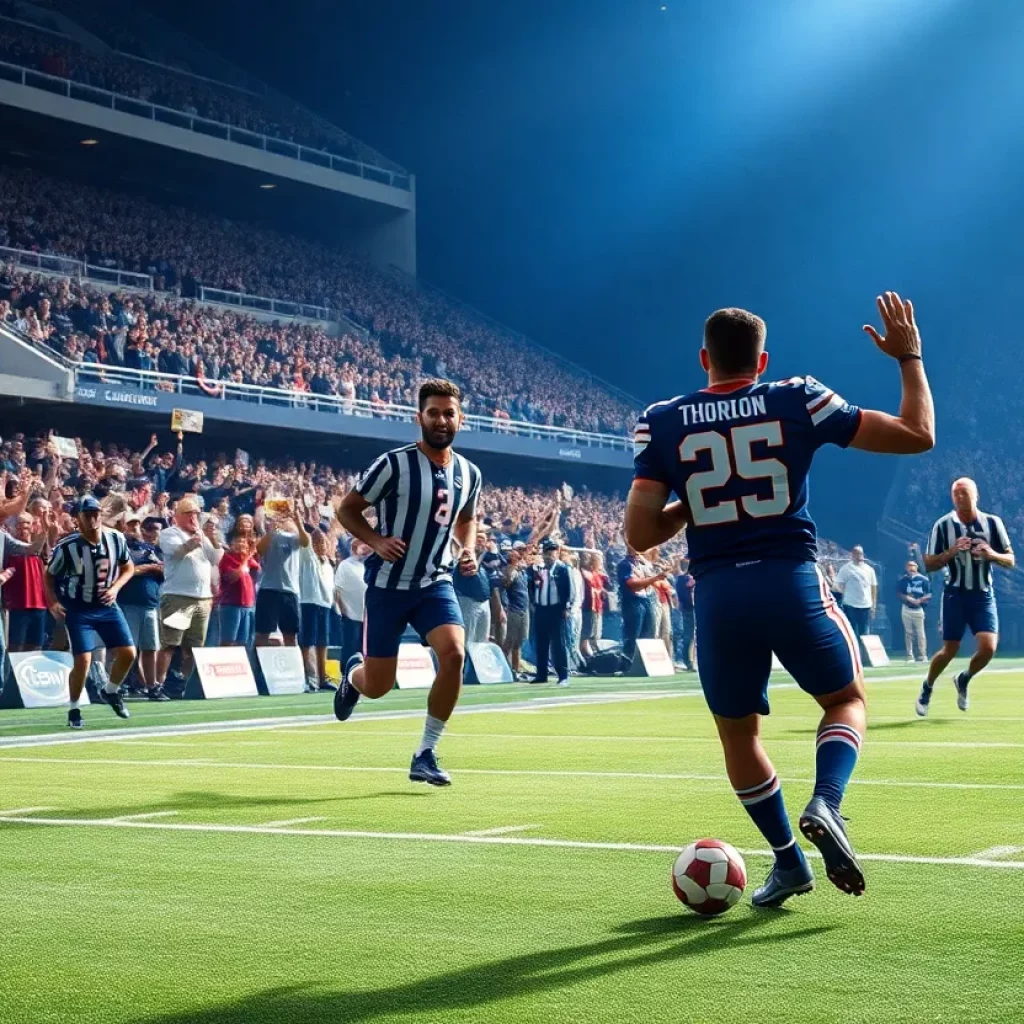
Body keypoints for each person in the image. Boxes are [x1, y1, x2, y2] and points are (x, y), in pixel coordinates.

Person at [624, 293, 934, 907]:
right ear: (761, 361)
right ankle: (829, 803)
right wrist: (909, 357)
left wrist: (698, 498)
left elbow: (639, 535)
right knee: (844, 698)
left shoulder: (660, 418)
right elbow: (917, 435)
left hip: (717, 594)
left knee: (739, 735)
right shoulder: (795, 396)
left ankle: (789, 861)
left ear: (704, 358)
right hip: (789, 577)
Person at [334, 379, 483, 787]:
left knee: (454, 654)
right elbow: (347, 510)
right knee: (378, 687)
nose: (440, 419)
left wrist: (466, 548)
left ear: (460, 419)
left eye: (448, 413)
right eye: (433, 412)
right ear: (419, 417)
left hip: (435, 582)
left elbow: (467, 516)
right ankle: (353, 677)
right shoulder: (392, 464)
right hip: (387, 586)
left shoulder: (470, 473)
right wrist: (376, 541)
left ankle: (426, 752)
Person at [916, 478, 1014, 716]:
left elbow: (1010, 560)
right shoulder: (943, 525)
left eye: (964, 493)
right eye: (955, 494)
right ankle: (927, 686)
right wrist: (952, 551)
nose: (959, 498)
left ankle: (964, 679)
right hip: (954, 595)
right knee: (950, 650)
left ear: (976, 495)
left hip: (983, 594)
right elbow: (928, 564)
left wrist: (990, 553)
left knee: (989, 648)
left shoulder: (992, 523)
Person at [44, 496, 137, 728]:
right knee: (83, 660)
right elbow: (49, 574)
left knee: (128, 653)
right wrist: (53, 602)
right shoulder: (67, 546)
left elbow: (128, 567)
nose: (93, 518)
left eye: (96, 513)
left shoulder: (116, 538)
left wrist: (115, 588)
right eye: (87, 515)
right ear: (78, 519)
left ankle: (111, 691)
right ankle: (74, 708)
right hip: (78, 607)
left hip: (107, 604)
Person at [157, 496, 221, 695]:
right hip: (178, 597)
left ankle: (182, 684)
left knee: (194, 648)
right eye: (189, 514)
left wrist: (212, 537)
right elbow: (177, 553)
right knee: (170, 643)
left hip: (202, 598)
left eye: (196, 514)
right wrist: (195, 539)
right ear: (178, 516)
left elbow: (215, 558)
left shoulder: (201, 535)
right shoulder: (170, 533)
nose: (194, 518)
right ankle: (158, 684)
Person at [118, 514, 168, 699]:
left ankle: (151, 686)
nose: (134, 530)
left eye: (137, 527)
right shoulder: (123, 548)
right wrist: (150, 568)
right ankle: (119, 683)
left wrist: (158, 569)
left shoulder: (154, 550)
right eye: (131, 527)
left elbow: (165, 570)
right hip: (128, 603)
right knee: (127, 647)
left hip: (151, 605)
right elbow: (126, 571)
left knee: (150, 647)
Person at [254, 503, 309, 648]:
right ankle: (260, 668)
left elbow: (306, 542)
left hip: (290, 591)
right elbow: (259, 549)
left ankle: (292, 669)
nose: (285, 520)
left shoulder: (295, 537)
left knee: (290, 635)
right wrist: (273, 529)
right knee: (262, 633)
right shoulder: (271, 535)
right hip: (268, 589)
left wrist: (298, 522)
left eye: (287, 517)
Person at [528, 539, 572, 686]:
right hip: (541, 609)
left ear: (557, 552)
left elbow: (570, 590)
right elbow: (531, 586)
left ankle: (563, 675)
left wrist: (566, 607)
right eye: (547, 551)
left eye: (552, 551)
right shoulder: (538, 569)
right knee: (541, 643)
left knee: (558, 643)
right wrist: (533, 602)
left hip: (556, 610)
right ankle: (541, 674)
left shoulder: (562, 569)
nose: (549, 555)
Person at [298, 528, 338, 692]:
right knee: (307, 642)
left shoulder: (328, 563)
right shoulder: (308, 557)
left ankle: (322, 678)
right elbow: (305, 540)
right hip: (309, 602)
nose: (322, 545)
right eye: (318, 542)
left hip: (325, 605)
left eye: (324, 542)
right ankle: (307, 679)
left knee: (323, 642)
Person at [617, 546, 665, 662]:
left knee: (649, 632)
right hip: (633, 601)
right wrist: (655, 578)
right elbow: (632, 583)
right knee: (633, 634)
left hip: (645, 599)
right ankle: (627, 664)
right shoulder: (625, 565)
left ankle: (644, 663)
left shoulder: (641, 565)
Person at [216, 522, 259, 648]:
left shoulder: (250, 560)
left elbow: (257, 572)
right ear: (231, 545)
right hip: (231, 605)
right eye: (238, 542)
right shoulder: (227, 558)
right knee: (228, 641)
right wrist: (247, 558)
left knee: (243, 642)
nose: (241, 544)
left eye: (244, 542)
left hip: (248, 606)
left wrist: (250, 556)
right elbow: (234, 576)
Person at [333, 538, 368, 667]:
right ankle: (346, 678)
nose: (366, 549)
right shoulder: (345, 565)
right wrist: (343, 611)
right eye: (363, 546)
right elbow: (338, 590)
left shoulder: (366, 566)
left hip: (366, 617)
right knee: (350, 649)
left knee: (363, 650)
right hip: (351, 616)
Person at [497, 548, 530, 678]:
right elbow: (505, 583)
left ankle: (516, 669)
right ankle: (504, 667)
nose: (521, 558)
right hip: (513, 609)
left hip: (524, 609)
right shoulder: (510, 571)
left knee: (519, 642)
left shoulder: (523, 573)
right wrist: (512, 567)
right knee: (510, 641)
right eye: (518, 557)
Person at [453, 533, 491, 643]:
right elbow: (469, 570)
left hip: (484, 603)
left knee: (482, 641)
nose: (480, 542)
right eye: (477, 539)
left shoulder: (483, 559)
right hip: (468, 601)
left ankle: (478, 660)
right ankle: (465, 660)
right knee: (467, 639)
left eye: (483, 540)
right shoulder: (464, 555)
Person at [833, 546, 877, 639]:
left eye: (860, 553)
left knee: (864, 633)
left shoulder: (869, 569)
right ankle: (854, 652)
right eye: (856, 553)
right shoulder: (846, 568)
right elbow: (837, 584)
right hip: (850, 605)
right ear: (852, 555)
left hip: (866, 605)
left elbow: (873, 588)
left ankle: (863, 653)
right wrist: (843, 592)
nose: (859, 555)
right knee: (851, 632)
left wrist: (873, 606)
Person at [896, 558, 931, 664]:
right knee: (908, 633)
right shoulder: (903, 580)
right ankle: (909, 655)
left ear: (917, 567)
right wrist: (908, 598)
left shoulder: (924, 579)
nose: (911, 568)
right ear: (906, 568)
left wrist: (919, 600)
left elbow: (929, 594)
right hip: (906, 608)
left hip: (919, 609)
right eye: (909, 566)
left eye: (913, 566)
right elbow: (899, 593)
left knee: (920, 633)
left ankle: (922, 654)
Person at [579, 551, 611, 660]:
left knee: (596, 632)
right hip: (588, 606)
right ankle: (586, 654)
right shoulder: (585, 573)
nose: (601, 564)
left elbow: (606, 583)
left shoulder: (598, 574)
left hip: (598, 607)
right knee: (587, 632)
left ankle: (593, 653)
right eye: (599, 561)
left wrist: (602, 591)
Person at [674, 557, 696, 671]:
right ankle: (688, 661)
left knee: (692, 636)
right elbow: (684, 598)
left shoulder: (684, 579)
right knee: (689, 635)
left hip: (691, 609)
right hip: (689, 610)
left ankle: (691, 660)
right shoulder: (682, 579)